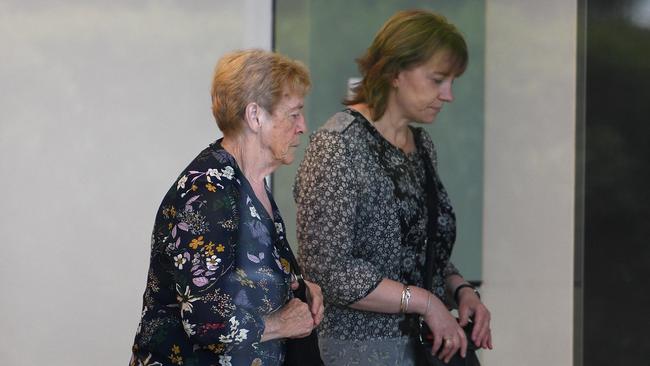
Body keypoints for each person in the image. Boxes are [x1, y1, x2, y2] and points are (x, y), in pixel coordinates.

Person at [294, 10, 492, 366]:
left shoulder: (421, 143)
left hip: (428, 349)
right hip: (360, 350)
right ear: (394, 72)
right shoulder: (337, 144)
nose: (448, 95)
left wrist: (460, 289)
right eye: (437, 80)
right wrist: (425, 302)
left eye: (452, 81)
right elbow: (328, 272)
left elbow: (417, 247)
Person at [130, 49, 324, 366]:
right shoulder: (207, 193)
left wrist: (298, 287)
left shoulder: (250, 182)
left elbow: (241, 278)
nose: (302, 125)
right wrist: (283, 323)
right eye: (293, 113)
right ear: (255, 116)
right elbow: (205, 318)